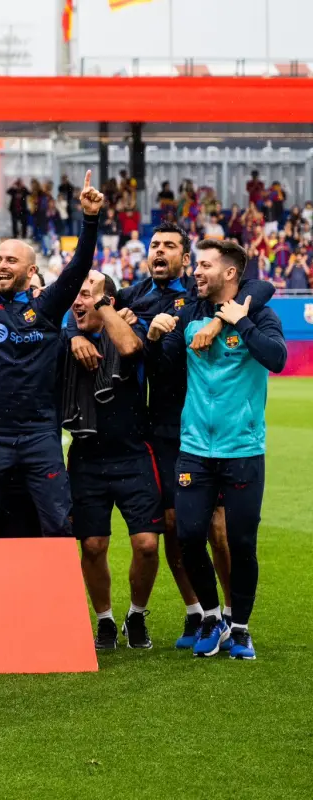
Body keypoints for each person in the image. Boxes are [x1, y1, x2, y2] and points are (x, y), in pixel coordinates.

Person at [67, 220, 275, 647]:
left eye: (170, 247)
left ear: (185, 258)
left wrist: (220, 321)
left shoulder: (200, 297)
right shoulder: (134, 295)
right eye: (154, 244)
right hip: (161, 429)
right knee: (179, 526)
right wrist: (73, 332)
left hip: (211, 429)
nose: (159, 251)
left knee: (218, 528)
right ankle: (199, 613)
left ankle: (235, 619)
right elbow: (85, 306)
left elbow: (261, 287)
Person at [0, 163, 101, 539]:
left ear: (31, 272)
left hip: (39, 436)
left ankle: (54, 598)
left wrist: (90, 219)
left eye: (11, 260)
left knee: (58, 525)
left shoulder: (47, 307)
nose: (0, 265)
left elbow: (78, 267)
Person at [147, 239, 286, 660]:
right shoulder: (188, 314)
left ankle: (240, 627)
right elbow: (166, 371)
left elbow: (276, 358)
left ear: (229, 273)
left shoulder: (260, 314)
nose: (196, 271)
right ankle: (211, 616)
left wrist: (239, 323)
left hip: (243, 448)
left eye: (205, 265)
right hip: (194, 450)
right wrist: (155, 340)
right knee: (188, 538)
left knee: (242, 543)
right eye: (197, 265)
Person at [63, 272, 161, 650]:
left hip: (135, 453)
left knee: (148, 545)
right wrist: (71, 333)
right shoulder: (66, 338)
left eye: (89, 294)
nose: (79, 301)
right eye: (77, 296)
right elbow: (47, 319)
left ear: (110, 303)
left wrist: (107, 313)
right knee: (92, 546)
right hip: (87, 457)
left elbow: (131, 347)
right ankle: (104, 620)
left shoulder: (132, 331)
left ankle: (136, 614)